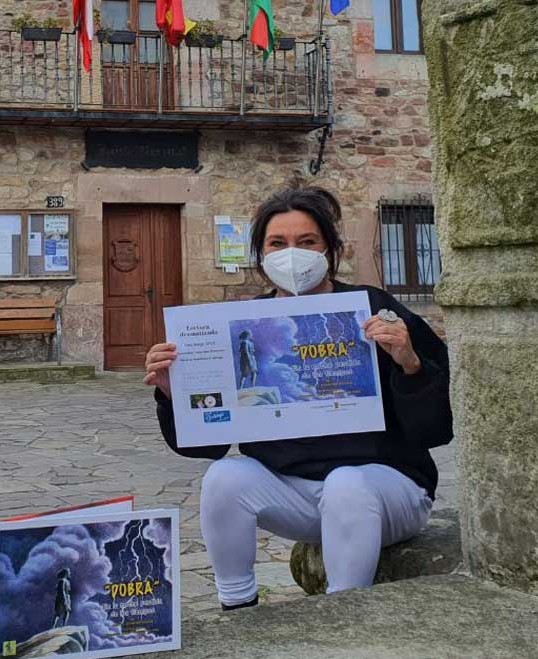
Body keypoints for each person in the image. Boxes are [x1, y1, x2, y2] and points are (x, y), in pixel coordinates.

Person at [144, 186, 452, 611]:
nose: (292, 254)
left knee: (346, 482)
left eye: (307, 242)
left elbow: (435, 429)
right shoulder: (237, 323)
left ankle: (343, 616)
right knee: (224, 479)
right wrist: (172, 392)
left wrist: (410, 363)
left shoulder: (374, 308)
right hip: (299, 497)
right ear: (261, 255)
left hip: (388, 492)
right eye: (277, 243)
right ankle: (237, 607)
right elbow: (208, 447)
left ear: (329, 248)